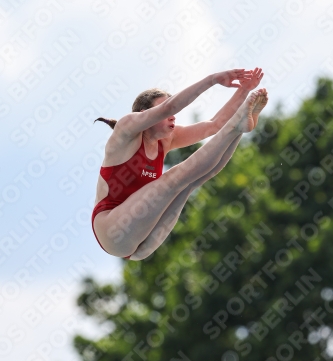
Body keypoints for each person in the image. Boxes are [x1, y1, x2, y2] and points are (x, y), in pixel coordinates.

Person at [92, 68, 268, 261]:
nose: (174, 116)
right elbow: (170, 108)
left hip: (141, 245)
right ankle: (237, 125)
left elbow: (215, 125)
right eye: (165, 107)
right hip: (112, 232)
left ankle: (238, 129)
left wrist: (244, 90)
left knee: (192, 181)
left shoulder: (166, 140)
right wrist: (212, 79)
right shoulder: (126, 131)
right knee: (173, 179)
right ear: (146, 114)